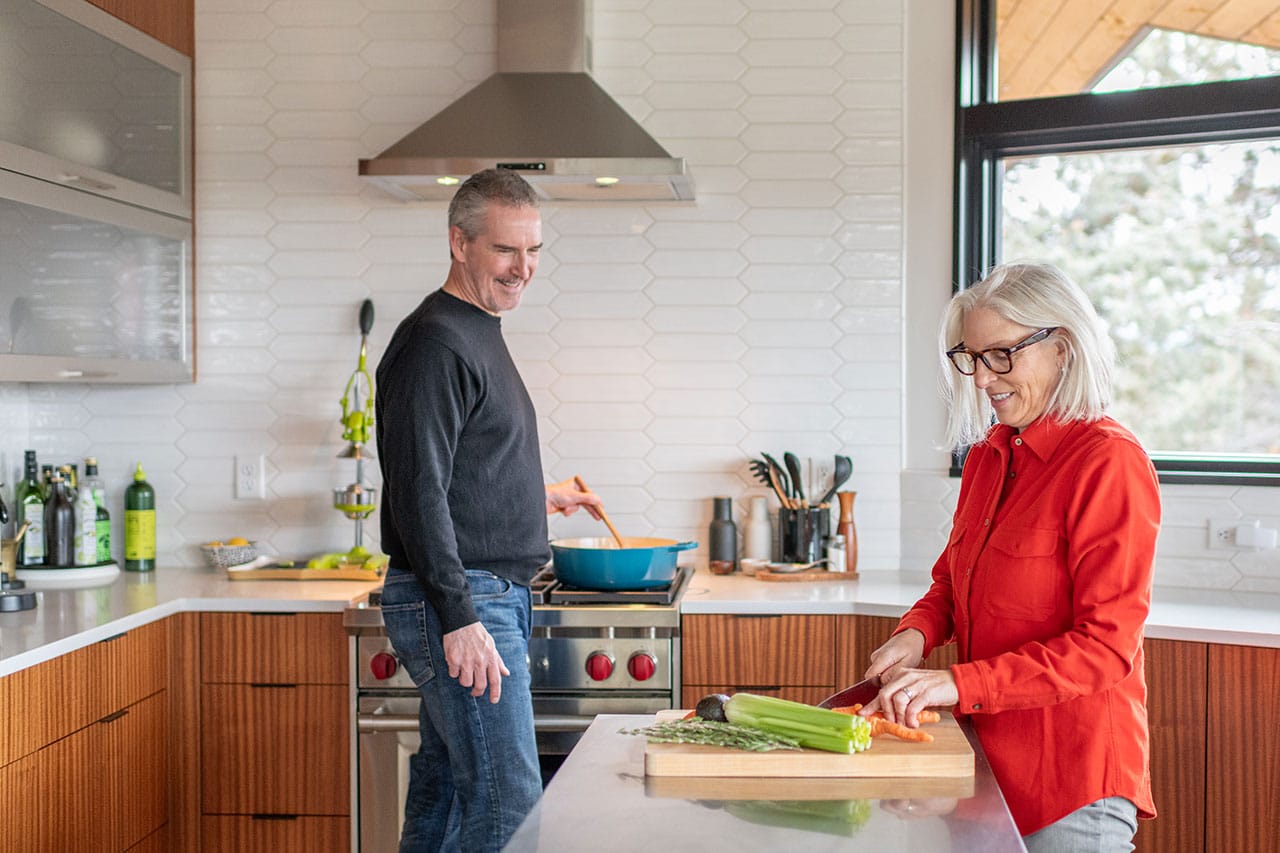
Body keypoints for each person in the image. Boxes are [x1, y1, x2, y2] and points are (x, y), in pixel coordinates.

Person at [859, 263, 1160, 852]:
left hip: (1069, 783)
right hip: (981, 768)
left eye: (1000, 355)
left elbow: (1104, 648)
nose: (980, 379)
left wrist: (953, 681)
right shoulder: (990, 456)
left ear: (1063, 348)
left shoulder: (1108, 463)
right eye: (970, 357)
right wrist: (916, 633)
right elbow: (952, 580)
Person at [374, 168, 602, 853]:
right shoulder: (435, 341)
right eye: (507, 250)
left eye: (533, 251)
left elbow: (454, 472)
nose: (523, 268)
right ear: (459, 242)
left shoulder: (475, 327)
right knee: (509, 807)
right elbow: (417, 492)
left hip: (482, 592)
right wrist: (460, 616)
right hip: (465, 597)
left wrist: (533, 499)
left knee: (445, 797)